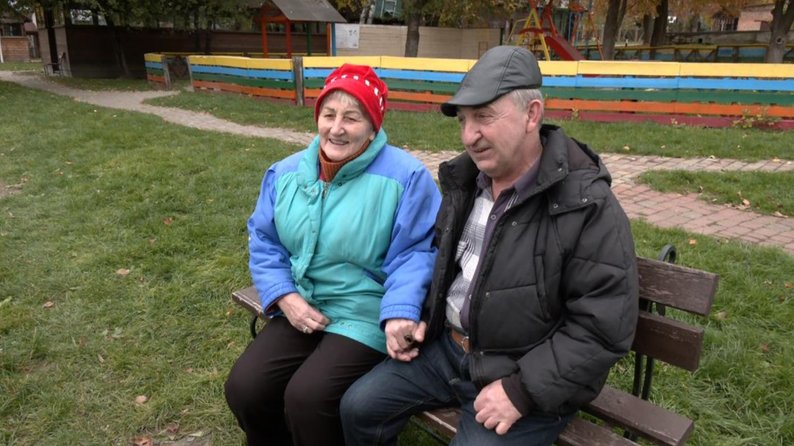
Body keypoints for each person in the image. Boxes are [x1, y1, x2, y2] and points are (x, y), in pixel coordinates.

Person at [341, 46, 639, 446]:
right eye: (463, 120)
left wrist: (521, 391)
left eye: (483, 117)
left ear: (532, 115)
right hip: (448, 351)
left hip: (521, 373)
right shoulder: (467, 182)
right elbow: (444, 266)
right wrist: (416, 315)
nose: (469, 136)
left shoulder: (586, 204)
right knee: (358, 408)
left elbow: (603, 325)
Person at [224, 63, 442, 446]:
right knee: (245, 387)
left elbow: (417, 253)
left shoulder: (406, 178)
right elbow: (264, 239)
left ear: (373, 127)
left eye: (351, 118)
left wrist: (400, 311)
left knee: (308, 399)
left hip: (365, 311)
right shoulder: (286, 173)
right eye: (329, 115)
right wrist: (284, 295)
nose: (336, 128)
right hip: (303, 304)